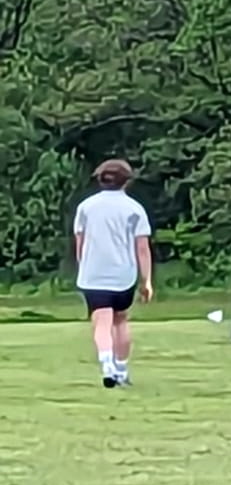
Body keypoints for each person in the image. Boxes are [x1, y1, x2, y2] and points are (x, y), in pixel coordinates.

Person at [72, 158, 153, 388]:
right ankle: (121, 368)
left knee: (101, 320)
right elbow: (142, 248)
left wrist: (83, 265)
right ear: (126, 182)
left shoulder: (86, 207)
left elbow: (80, 242)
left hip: (93, 274)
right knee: (120, 320)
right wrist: (146, 280)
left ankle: (106, 364)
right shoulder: (135, 209)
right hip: (123, 275)